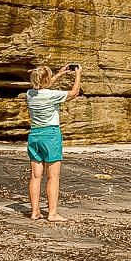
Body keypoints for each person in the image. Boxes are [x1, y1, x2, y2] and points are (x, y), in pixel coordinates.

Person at [25, 63, 82, 223]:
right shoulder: (52, 95)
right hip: (50, 135)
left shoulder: (29, 94)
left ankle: (35, 211)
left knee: (35, 176)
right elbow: (74, 92)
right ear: (47, 79)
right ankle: (52, 213)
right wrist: (78, 74)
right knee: (53, 176)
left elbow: (42, 84)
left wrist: (60, 74)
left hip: (34, 134)